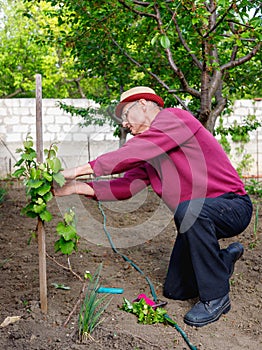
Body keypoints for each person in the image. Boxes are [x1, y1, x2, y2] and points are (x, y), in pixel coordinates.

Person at [54, 86, 253, 327]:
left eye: (126, 115)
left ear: (143, 104)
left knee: (188, 210)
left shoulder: (175, 118)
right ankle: (223, 261)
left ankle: (216, 297)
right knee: (175, 290)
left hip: (231, 205)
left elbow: (131, 152)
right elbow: (125, 186)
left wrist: (74, 170)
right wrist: (74, 187)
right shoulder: (153, 154)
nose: (125, 124)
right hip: (195, 218)